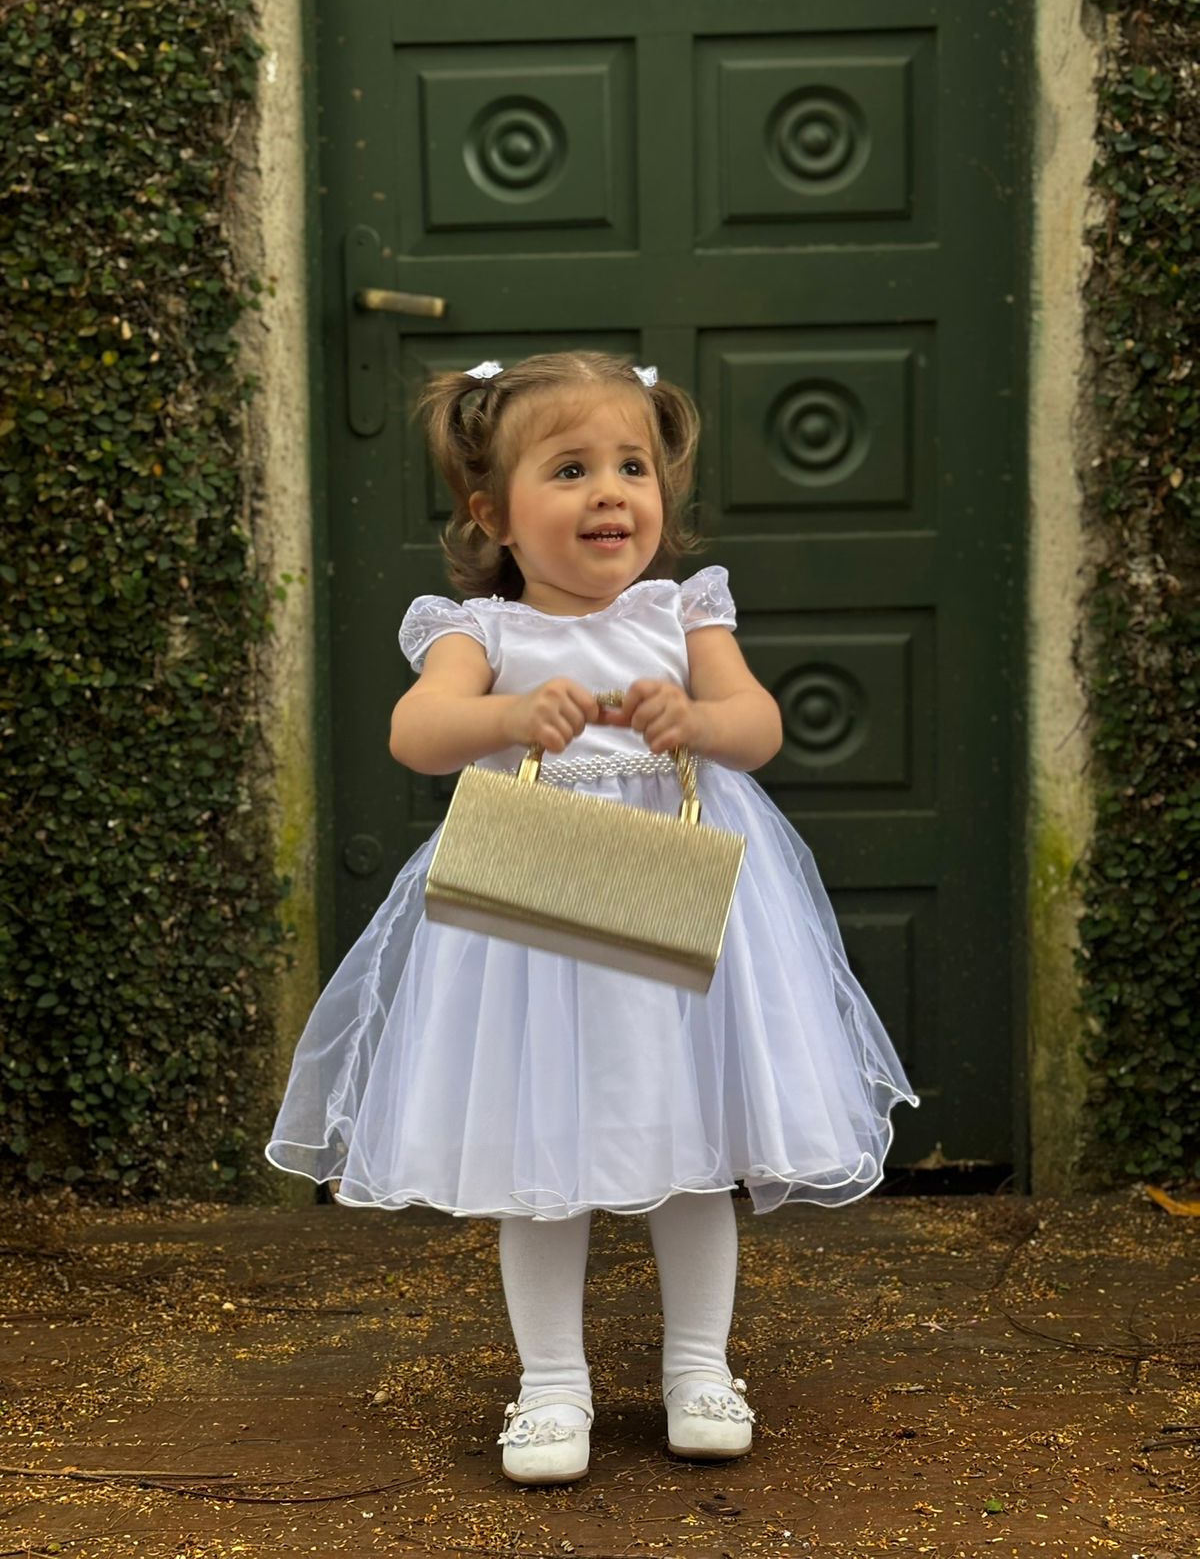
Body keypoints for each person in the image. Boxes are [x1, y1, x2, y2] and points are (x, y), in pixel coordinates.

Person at [265, 350, 919, 1485]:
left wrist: (697, 721)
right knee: (539, 1145)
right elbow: (417, 733)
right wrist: (508, 714)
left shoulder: (681, 613)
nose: (609, 492)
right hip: (536, 910)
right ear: (494, 515)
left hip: (681, 895)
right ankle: (552, 1382)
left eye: (632, 466)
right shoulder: (481, 631)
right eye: (569, 470)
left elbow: (758, 724)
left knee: (695, 1144)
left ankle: (699, 1366)